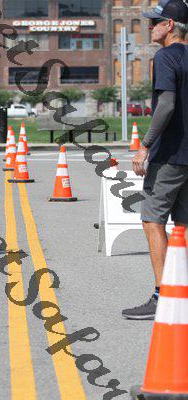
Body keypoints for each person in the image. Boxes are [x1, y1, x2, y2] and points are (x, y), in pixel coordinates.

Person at [123, 0, 188, 320]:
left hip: (170, 155)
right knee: (184, 224)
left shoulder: (165, 56)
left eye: (154, 22)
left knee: (152, 219)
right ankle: (182, 292)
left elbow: (166, 104)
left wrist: (145, 146)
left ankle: (163, 295)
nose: (149, 27)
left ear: (170, 26)